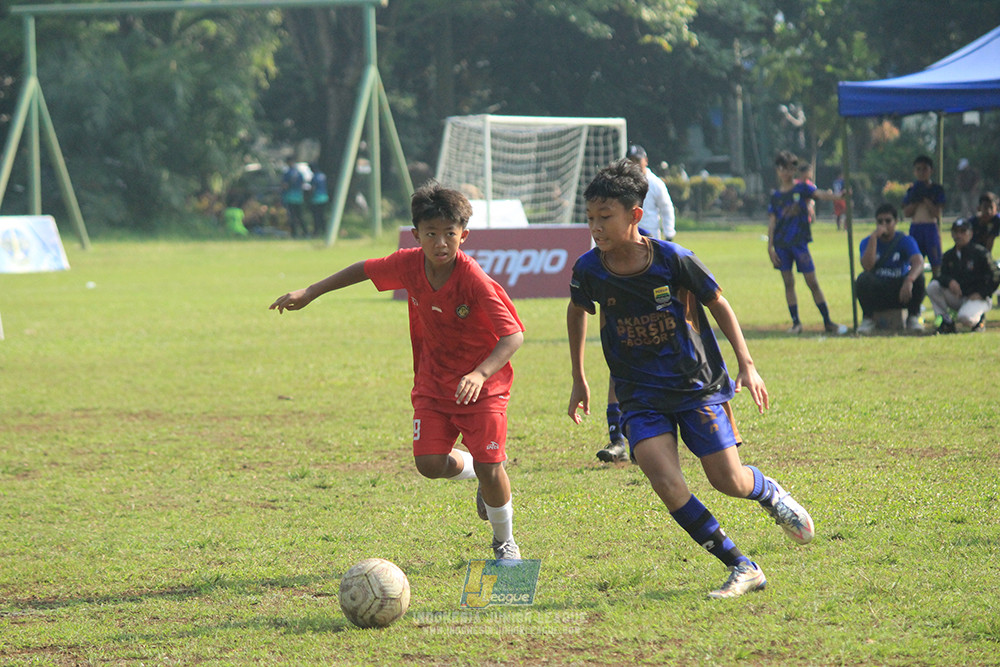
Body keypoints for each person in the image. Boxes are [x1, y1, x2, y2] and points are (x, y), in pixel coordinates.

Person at [567, 159, 814, 599]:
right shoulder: (590, 268)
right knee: (665, 482)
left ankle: (769, 493)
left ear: (635, 216)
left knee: (728, 481)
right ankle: (742, 565)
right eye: (590, 218)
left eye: (605, 217)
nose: (596, 227)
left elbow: (718, 302)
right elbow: (577, 310)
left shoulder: (673, 260)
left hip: (695, 385)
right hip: (639, 396)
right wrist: (578, 376)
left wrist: (747, 363)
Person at [270, 182, 526, 560]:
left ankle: (504, 542)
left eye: (449, 235)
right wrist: (311, 291)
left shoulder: (473, 279)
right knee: (429, 465)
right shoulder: (408, 263)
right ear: (416, 235)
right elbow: (363, 269)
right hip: (434, 381)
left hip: (482, 388)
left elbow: (513, 335)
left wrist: (481, 373)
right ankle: (482, 469)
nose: (441, 243)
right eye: (431, 234)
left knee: (492, 471)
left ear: (464, 236)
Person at [767, 150, 846, 335]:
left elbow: (819, 194)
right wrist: (769, 247)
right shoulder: (776, 196)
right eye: (782, 169)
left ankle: (827, 321)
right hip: (781, 245)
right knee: (788, 282)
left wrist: (838, 196)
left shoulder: (801, 188)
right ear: (778, 170)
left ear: (793, 170)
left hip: (799, 243)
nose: (786, 172)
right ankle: (796, 323)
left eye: (789, 168)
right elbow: (772, 222)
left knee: (812, 281)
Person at [855, 204, 925, 334]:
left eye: (888, 221)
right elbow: (867, 266)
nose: (884, 224)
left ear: (895, 222)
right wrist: (874, 239)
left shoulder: (905, 240)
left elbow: (918, 261)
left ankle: (913, 316)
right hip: (880, 289)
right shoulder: (868, 241)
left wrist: (909, 279)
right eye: (880, 221)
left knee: (919, 278)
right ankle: (868, 319)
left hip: (901, 289)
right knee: (863, 279)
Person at [926, 218, 1000, 334]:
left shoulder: (980, 253)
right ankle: (947, 322)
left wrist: (982, 293)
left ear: (970, 234)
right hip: (959, 296)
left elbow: (995, 275)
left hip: (977, 297)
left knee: (965, 318)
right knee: (933, 287)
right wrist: (949, 281)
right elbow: (939, 275)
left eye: (963, 231)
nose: (959, 235)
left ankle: (979, 320)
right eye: (956, 232)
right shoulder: (949, 255)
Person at [902, 155, 945, 278]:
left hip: (930, 228)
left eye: (925, 169)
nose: (921, 172)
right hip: (916, 228)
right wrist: (916, 200)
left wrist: (926, 199)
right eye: (918, 169)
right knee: (915, 261)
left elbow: (937, 213)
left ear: (931, 170)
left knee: (936, 262)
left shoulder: (936, 189)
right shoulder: (912, 190)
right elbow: (907, 213)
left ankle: (936, 284)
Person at [627, 144, 676, 241]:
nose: (634, 164)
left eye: (637, 160)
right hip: (629, 236)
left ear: (646, 160)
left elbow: (666, 208)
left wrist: (669, 233)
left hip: (650, 237)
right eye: (631, 161)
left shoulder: (655, 183)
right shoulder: (623, 183)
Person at [281, 156, 308, 239]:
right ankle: (305, 232)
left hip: (290, 197)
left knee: (292, 216)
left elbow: (285, 185)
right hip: (299, 197)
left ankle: (294, 233)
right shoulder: (299, 173)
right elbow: (303, 184)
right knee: (300, 215)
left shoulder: (287, 173)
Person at [308, 165, 330, 238]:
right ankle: (325, 229)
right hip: (324, 197)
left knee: (316, 216)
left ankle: (316, 231)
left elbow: (313, 188)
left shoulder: (314, 177)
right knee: (322, 215)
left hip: (316, 198)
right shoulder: (323, 175)